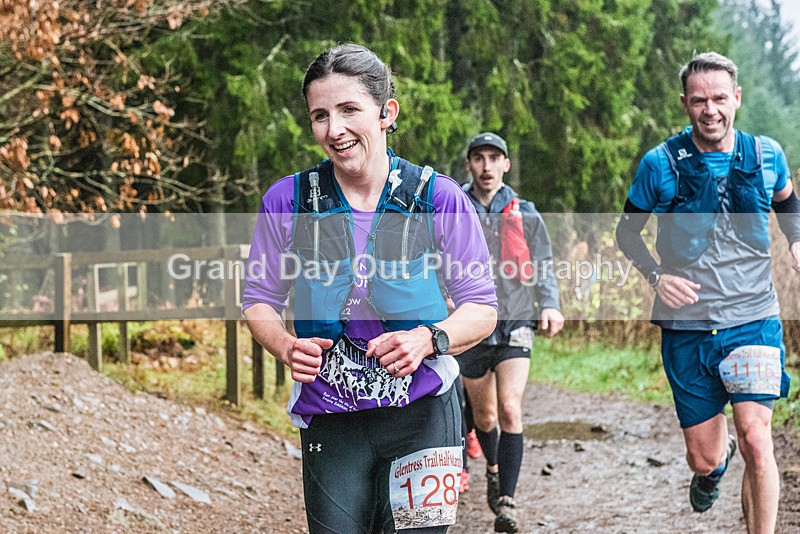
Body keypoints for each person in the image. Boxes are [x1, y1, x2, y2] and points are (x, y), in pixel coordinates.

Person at [242, 44, 497, 534]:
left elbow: (482, 308)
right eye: (320, 115)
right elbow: (259, 300)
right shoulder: (287, 199)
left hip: (423, 410)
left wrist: (430, 338)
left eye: (349, 110)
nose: (333, 129)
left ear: (386, 114)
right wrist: (284, 345)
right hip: (332, 417)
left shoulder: (437, 196)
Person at [616, 52, 800, 534]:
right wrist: (657, 277)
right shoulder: (659, 164)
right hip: (688, 330)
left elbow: (788, 202)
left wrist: (797, 240)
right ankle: (714, 467)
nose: (710, 109)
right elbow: (626, 234)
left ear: (737, 98)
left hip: (753, 320)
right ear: (684, 104)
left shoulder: (766, 155)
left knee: (758, 438)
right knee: (704, 457)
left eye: (720, 98)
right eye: (699, 100)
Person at [458, 132, 564, 533]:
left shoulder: (526, 212)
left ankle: (508, 501)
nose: (486, 166)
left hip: (516, 319)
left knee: (510, 409)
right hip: (469, 324)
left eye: (494, 158)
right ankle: (493, 466)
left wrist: (550, 303)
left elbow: (544, 263)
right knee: (484, 416)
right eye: (479, 158)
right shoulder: (455, 208)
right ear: (469, 164)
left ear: (505, 164)